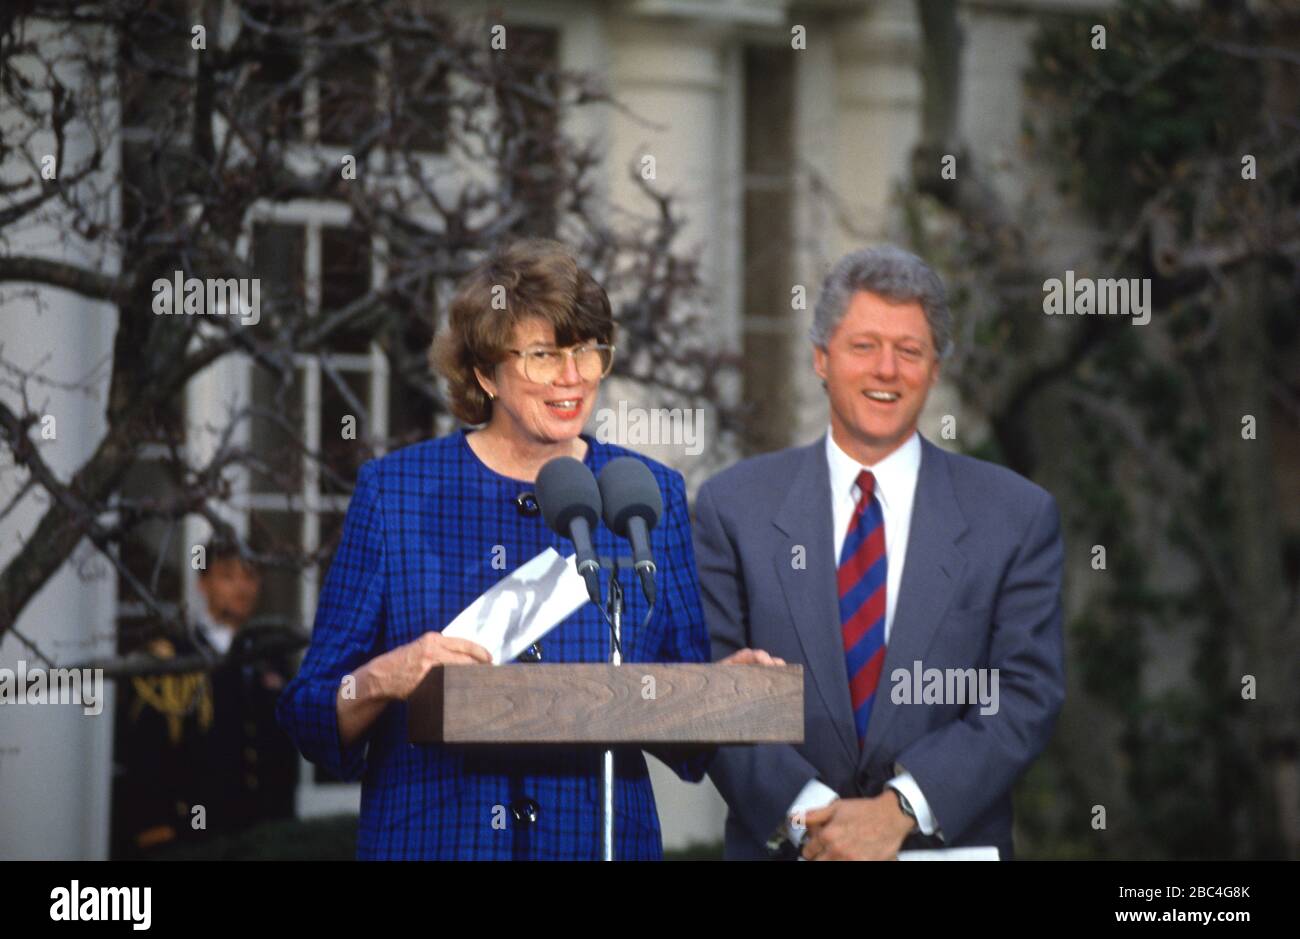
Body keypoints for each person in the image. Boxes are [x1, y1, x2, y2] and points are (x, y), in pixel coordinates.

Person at [277, 238, 772, 860]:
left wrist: (719, 694)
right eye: (543, 356)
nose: (572, 378)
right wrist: (381, 678)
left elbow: (682, 733)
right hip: (436, 845)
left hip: (596, 845)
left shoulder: (645, 495)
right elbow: (311, 715)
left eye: (587, 352)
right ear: (485, 373)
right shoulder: (395, 493)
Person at [694, 245, 1065, 860]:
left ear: (935, 369)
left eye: (910, 350)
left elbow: (1025, 694)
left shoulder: (1016, 516)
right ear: (821, 358)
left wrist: (900, 812)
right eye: (864, 346)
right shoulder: (734, 508)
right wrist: (816, 820)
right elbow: (709, 688)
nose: (886, 369)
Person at [113, 535, 297, 857]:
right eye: (228, 575)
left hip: (265, 836)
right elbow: (146, 754)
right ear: (203, 582)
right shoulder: (174, 658)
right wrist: (158, 834)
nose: (242, 587)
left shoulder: (271, 656)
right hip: (194, 836)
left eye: (250, 576)